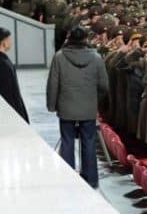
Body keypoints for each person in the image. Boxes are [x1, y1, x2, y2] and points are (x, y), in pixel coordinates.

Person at [46, 26, 109, 189]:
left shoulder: (59, 57)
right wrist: (94, 100)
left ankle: (68, 180)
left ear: (70, 39)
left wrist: (52, 105)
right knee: (89, 142)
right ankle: (91, 179)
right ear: (85, 39)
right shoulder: (96, 58)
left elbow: (53, 84)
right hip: (88, 108)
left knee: (67, 142)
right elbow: (104, 85)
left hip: (66, 107)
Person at [0, 27, 30, 122]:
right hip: (11, 110)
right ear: (4, 42)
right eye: (9, 39)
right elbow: (6, 92)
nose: (11, 42)